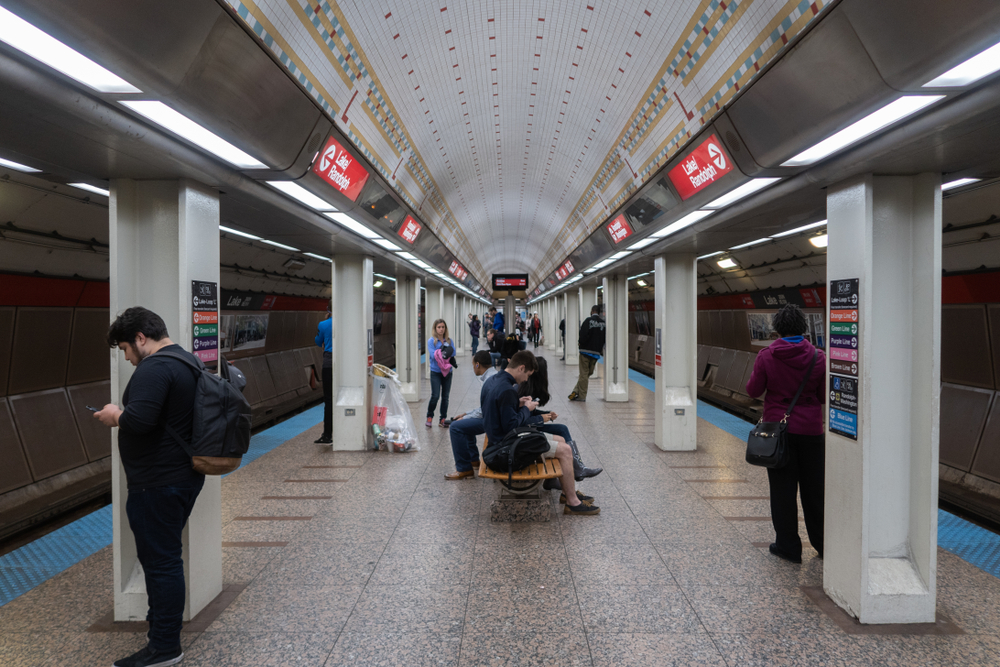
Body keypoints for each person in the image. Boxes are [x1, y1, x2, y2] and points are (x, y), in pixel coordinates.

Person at [94, 307, 204, 667]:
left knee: (161, 564)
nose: (126, 357)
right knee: (165, 560)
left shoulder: (155, 368)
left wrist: (114, 415)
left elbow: (139, 421)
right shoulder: (186, 360)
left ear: (141, 338)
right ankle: (161, 633)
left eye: (126, 348)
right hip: (180, 476)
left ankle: (164, 647)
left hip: (158, 483)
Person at [746, 304, 826, 563]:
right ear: (803, 327)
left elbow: (753, 390)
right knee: (815, 491)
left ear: (777, 328)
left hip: (778, 432)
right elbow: (824, 395)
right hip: (812, 431)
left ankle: (789, 548)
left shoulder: (767, 355)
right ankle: (823, 545)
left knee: (782, 491)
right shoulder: (818, 357)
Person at [481, 350, 599, 515]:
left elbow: (496, 411)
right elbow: (511, 427)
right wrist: (526, 409)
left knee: (561, 439)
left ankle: (567, 492)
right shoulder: (507, 389)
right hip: (506, 448)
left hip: (498, 440)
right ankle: (572, 502)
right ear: (521, 368)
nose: (526, 379)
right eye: (528, 374)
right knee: (565, 450)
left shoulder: (492, 381)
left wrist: (517, 403)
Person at [518, 357, 602, 489]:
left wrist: (545, 414)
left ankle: (572, 470)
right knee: (562, 431)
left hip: (526, 427)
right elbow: (522, 418)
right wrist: (542, 418)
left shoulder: (528, 388)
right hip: (523, 431)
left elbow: (528, 412)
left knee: (562, 430)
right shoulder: (526, 391)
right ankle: (578, 468)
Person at [444, 351, 498, 479]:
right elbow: (485, 407)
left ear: (478, 365)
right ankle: (473, 460)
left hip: (491, 420)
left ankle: (464, 469)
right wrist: (467, 414)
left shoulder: (489, 381)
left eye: (473, 365)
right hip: (494, 416)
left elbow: (483, 412)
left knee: (456, 427)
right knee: (464, 423)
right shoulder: (493, 375)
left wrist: (465, 417)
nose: (473, 367)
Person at [568, 305, 606, 402]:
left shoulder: (588, 321)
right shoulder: (603, 323)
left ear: (592, 311)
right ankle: (576, 390)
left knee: (584, 374)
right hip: (596, 352)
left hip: (585, 351)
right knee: (588, 373)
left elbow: (583, 334)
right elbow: (604, 337)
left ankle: (581, 396)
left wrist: (581, 343)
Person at [426, 319, 455, 428]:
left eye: (443, 327)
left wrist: (443, 352)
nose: (441, 329)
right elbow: (434, 356)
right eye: (439, 327)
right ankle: (429, 416)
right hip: (436, 372)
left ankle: (442, 418)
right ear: (435, 328)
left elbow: (454, 352)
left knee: (445, 396)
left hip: (448, 372)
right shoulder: (431, 341)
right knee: (435, 395)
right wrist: (445, 351)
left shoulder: (449, 340)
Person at [314, 308, 333, 444]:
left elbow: (317, 341)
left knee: (329, 400)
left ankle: (327, 435)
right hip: (346, 365)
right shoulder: (347, 322)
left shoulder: (323, 324)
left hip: (329, 363)